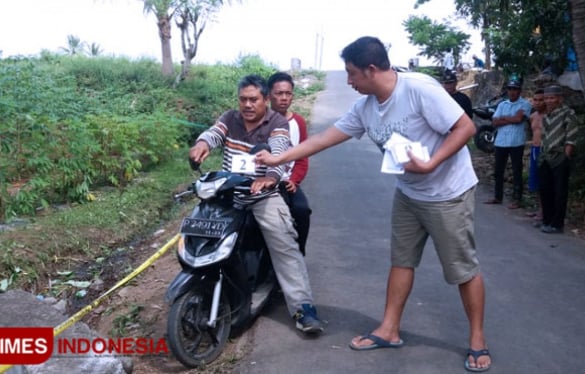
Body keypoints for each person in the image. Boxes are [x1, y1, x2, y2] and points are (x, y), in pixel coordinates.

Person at [255, 36, 491, 372]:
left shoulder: (418, 89)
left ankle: (477, 341)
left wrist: (431, 162)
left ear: (371, 69)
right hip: (409, 194)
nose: (348, 81)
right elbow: (323, 139)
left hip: (447, 194)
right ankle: (389, 329)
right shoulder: (366, 108)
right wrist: (279, 157)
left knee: (462, 269)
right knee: (401, 260)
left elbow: (465, 127)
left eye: (352, 74)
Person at [188, 74, 323, 334]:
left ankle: (302, 307)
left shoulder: (277, 122)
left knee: (284, 243)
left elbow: (280, 151)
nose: (247, 105)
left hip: (263, 195)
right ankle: (201, 291)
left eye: (253, 100)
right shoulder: (230, 118)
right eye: (243, 100)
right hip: (229, 195)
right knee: (200, 233)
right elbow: (214, 133)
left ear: (265, 100)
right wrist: (202, 144)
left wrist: (270, 178)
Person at [267, 71, 312, 256]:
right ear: (269, 95)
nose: (284, 98)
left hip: (286, 181)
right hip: (262, 179)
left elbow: (302, 157)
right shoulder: (260, 119)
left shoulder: (298, 122)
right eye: (279, 93)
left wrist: (294, 180)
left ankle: (299, 253)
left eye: (288, 93)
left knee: (302, 211)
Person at [483, 79, 532, 209]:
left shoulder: (525, 104)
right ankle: (498, 196)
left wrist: (503, 119)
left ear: (519, 91)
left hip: (516, 142)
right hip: (501, 141)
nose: (512, 92)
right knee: (498, 170)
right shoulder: (502, 104)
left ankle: (517, 199)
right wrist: (511, 119)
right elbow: (495, 122)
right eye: (510, 89)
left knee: (517, 170)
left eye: (515, 89)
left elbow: (518, 119)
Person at [537, 85, 579, 234]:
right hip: (545, 157)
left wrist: (566, 156)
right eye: (546, 98)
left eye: (552, 97)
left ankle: (557, 224)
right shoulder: (547, 115)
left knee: (559, 192)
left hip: (559, 157)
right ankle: (546, 220)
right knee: (545, 190)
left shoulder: (568, 114)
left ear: (560, 99)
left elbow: (571, 137)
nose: (549, 101)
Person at [527, 88, 546, 220]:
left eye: (541, 100)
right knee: (536, 181)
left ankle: (546, 210)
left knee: (545, 182)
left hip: (545, 151)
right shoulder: (533, 116)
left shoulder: (549, 117)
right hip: (534, 150)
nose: (538, 103)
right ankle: (540, 209)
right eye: (535, 100)